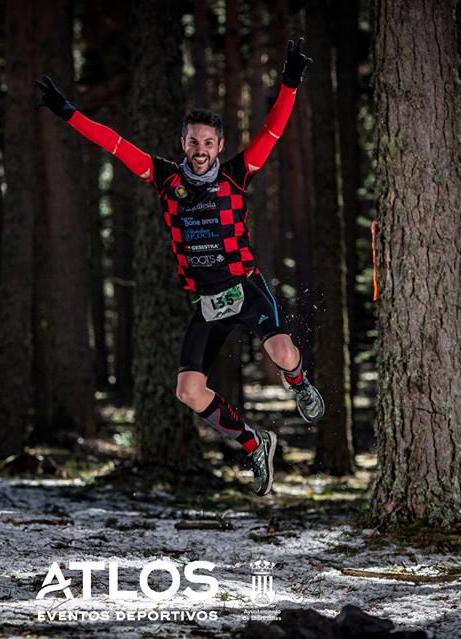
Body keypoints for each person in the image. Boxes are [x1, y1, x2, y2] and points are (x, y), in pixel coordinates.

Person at [35, 38, 324, 496]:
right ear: (183, 143)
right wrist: (68, 112)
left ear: (220, 145)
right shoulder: (165, 177)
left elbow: (271, 132)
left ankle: (299, 383)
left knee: (283, 354)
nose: (200, 149)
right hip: (208, 302)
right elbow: (115, 143)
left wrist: (289, 83)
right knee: (188, 391)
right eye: (193, 142)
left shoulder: (236, 174)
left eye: (208, 142)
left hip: (246, 288)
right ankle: (255, 443)